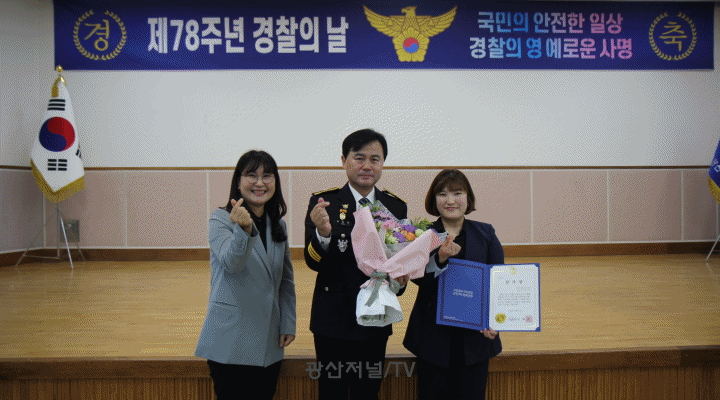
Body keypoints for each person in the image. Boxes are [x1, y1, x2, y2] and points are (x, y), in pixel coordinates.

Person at [304, 128, 409, 400]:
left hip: (375, 317)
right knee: (332, 393)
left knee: (367, 392)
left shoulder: (395, 207)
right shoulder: (323, 203)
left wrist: (400, 281)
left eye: (375, 159)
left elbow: (397, 266)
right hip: (332, 319)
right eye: (359, 158)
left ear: (383, 163)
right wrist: (323, 234)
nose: (367, 166)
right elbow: (312, 261)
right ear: (344, 161)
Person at [195, 150, 296, 400]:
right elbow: (232, 263)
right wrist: (244, 230)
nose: (260, 183)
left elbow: (285, 280)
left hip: (269, 342)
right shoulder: (220, 220)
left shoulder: (278, 224)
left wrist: (287, 323)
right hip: (231, 340)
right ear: (238, 182)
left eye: (267, 176)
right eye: (252, 175)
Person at [403, 169, 504, 400]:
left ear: (468, 198)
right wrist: (440, 258)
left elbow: (499, 282)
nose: (450, 201)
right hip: (432, 339)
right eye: (442, 194)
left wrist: (496, 320)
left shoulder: (486, 233)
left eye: (457, 193)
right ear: (434, 200)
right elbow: (418, 279)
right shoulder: (422, 234)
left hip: (475, 339)